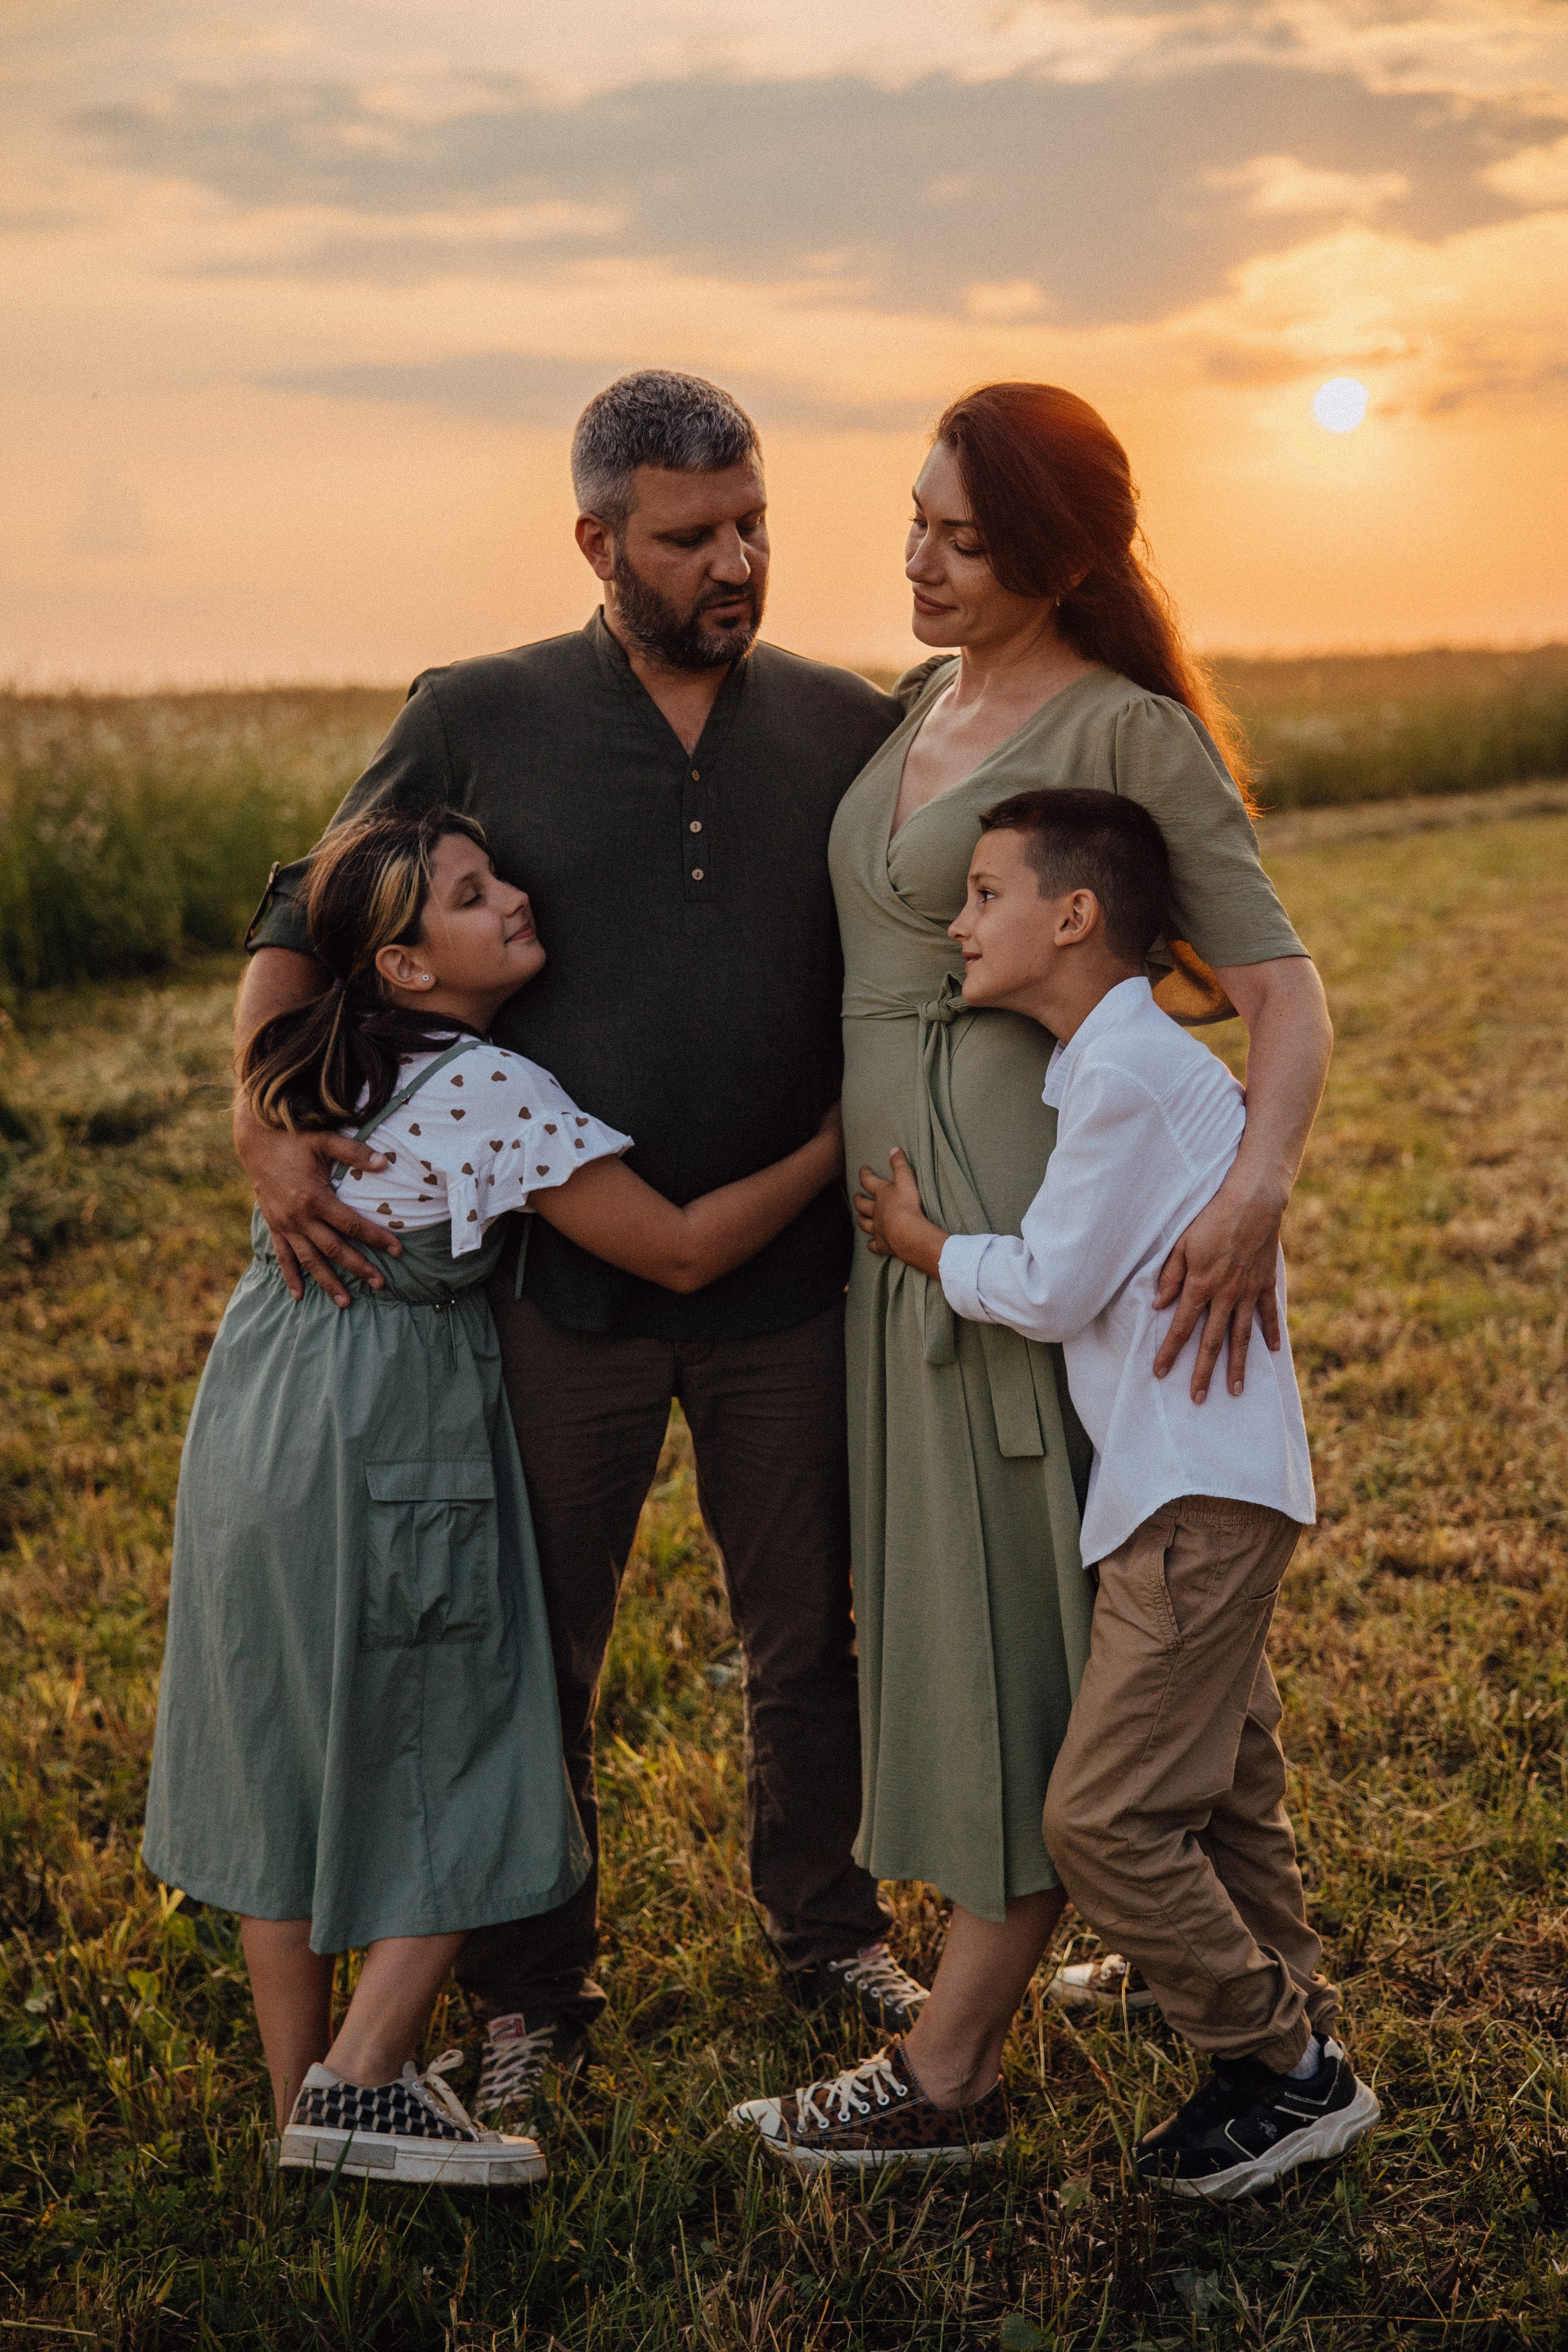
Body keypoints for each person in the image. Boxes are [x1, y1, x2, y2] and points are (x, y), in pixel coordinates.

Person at [234, 372, 927, 2128]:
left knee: (806, 1634)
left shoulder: (843, 725)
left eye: (753, 521)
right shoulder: (479, 713)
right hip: (563, 1295)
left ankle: (827, 1926)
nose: (736, 559)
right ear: (597, 540)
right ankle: (534, 1985)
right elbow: (304, 905)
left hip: (787, 1287)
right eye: (692, 534)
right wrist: (261, 1117)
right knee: (536, 1647)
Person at [726, 379, 1334, 2170]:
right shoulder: (919, 703)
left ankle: (947, 2067)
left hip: (1017, 1236)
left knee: (1033, 1615)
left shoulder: (1125, 731)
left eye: (961, 537)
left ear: (1059, 557)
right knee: (1108, 1626)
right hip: (914, 1249)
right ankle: (1254, 1981)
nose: (915, 558)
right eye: (912, 519)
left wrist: (1261, 1190)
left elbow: (1282, 987)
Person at [144, 805, 850, 2184]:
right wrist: (833, 1146)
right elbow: (687, 1252)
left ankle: (305, 2107)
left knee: (286, 1737)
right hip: (388, 1437)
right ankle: (363, 2080)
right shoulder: (488, 1091)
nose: (516, 898)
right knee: (474, 1742)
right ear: (405, 965)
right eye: (472, 896)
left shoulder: (311, 1062)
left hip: (258, 1420)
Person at [835, 790, 1376, 2200]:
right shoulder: (1117, 1064)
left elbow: (1052, 1284)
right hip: (1196, 1481)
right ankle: (1287, 2012)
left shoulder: (1127, 1072)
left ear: (1071, 918)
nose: (956, 922)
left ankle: (1280, 2067)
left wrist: (920, 1243)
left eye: (981, 894)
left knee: (1102, 1819)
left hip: (1190, 1493)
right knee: (1231, 1784)